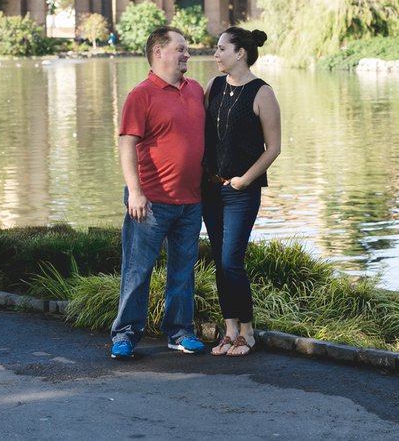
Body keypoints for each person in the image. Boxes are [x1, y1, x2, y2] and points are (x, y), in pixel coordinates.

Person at [110, 26, 206, 359]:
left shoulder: (195, 90)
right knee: (137, 272)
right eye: (180, 48)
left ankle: (179, 332)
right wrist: (135, 192)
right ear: (158, 52)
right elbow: (127, 145)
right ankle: (124, 334)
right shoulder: (141, 94)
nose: (187, 54)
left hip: (191, 202)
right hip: (149, 202)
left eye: (187, 49)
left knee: (183, 271)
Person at [202, 27, 281, 357]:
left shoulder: (262, 92)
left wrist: (244, 180)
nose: (216, 54)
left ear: (240, 54)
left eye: (221, 49)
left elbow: (273, 148)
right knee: (219, 261)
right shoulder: (214, 86)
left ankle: (247, 331)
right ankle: (229, 328)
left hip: (240, 191)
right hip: (210, 188)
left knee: (232, 261)